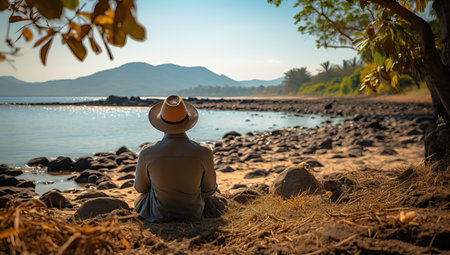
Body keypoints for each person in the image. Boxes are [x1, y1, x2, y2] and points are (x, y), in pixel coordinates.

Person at [134, 95, 218, 222]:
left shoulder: (147, 152)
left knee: (140, 198)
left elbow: (140, 188)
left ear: (161, 123)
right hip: (193, 213)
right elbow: (210, 189)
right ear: (187, 121)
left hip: (158, 214)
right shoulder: (204, 152)